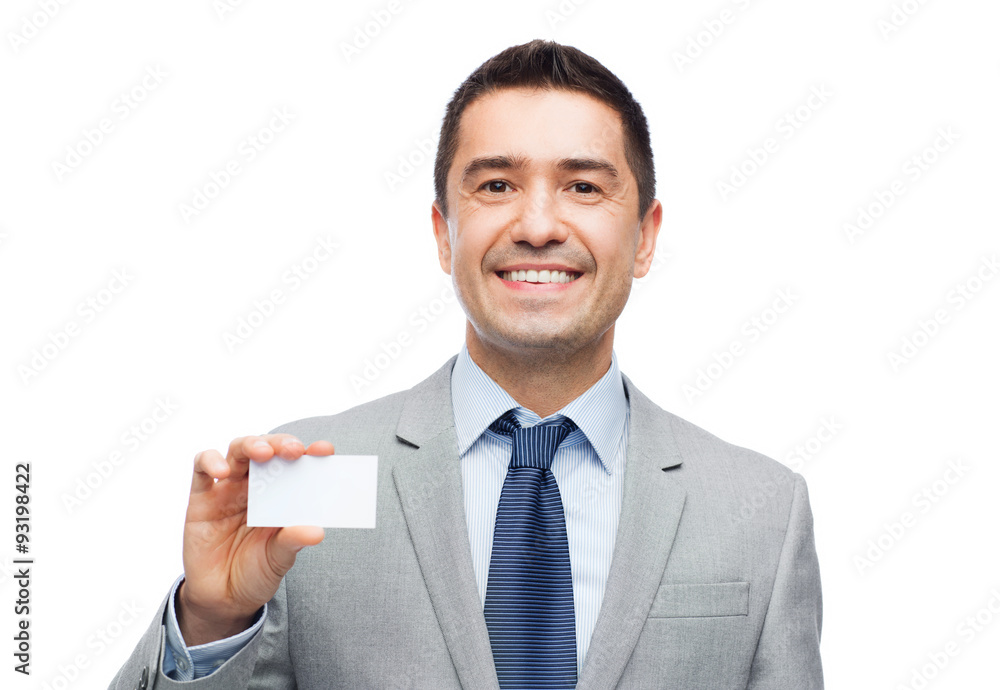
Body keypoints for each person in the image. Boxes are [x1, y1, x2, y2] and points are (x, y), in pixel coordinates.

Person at [112, 39, 823, 689]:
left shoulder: (759, 511)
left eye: (583, 186)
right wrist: (208, 623)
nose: (539, 226)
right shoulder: (310, 479)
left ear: (644, 237)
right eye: (495, 186)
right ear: (443, 235)